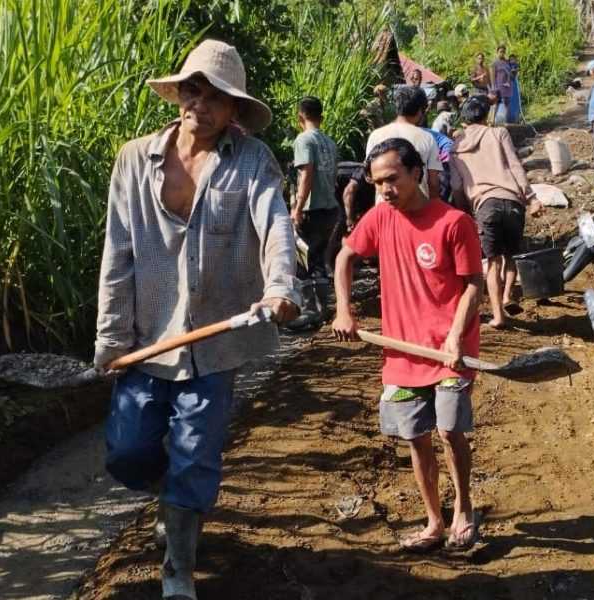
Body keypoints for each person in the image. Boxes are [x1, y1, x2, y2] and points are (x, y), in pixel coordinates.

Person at [95, 40, 301, 600]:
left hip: (215, 343)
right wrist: (110, 338)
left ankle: (177, 568)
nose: (200, 105)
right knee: (127, 452)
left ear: (235, 109)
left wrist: (281, 285)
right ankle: (173, 495)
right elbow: (118, 252)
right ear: (179, 94)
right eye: (193, 90)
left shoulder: (253, 159)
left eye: (216, 97)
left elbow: (276, 224)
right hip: (147, 337)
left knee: (197, 454)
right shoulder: (135, 160)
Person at [332, 137, 484, 552]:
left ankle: (464, 511)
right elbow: (345, 258)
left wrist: (455, 335)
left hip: (450, 351)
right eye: (378, 182)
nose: (385, 189)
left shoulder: (454, 222)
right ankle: (434, 521)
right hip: (401, 352)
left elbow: (474, 285)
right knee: (416, 437)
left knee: (451, 430)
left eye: (392, 179)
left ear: (416, 173)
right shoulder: (379, 219)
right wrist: (344, 310)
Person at [449, 96, 543, 328]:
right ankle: (508, 295)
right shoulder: (498, 133)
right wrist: (531, 198)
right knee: (510, 256)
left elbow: (456, 185)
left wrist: (464, 210)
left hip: (484, 206)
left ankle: (498, 315)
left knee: (492, 262)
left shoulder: (455, 148)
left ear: (464, 119)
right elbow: (514, 165)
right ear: (485, 116)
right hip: (512, 201)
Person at [289, 96, 339, 327]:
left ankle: (310, 310)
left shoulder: (303, 140)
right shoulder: (329, 142)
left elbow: (306, 175)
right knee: (318, 258)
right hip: (329, 208)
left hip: (311, 209)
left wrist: (297, 207)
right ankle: (323, 308)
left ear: (300, 117)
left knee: (303, 260)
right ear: (322, 117)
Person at [365, 86, 443, 202]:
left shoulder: (376, 135)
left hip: (385, 207)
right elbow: (433, 183)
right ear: (420, 110)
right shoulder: (427, 138)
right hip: (417, 208)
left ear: (397, 107)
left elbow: (369, 177)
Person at [422, 125, 455, 203]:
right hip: (438, 150)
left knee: (442, 179)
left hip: (446, 150)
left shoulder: (421, 134)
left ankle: (442, 201)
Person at [491, 45, 512, 121]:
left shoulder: (507, 62)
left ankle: (505, 120)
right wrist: (493, 88)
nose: (502, 53)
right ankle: (492, 120)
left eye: (503, 52)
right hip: (498, 87)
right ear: (497, 52)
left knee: (507, 103)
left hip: (507, 87)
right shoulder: (494, 63)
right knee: (496, 104)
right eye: (500, 52)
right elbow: (493, 76)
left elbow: (511, 73)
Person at [507, 53, 523, 124]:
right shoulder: (507, 67)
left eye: (513, 59)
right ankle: (509, 118)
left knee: (516, 101)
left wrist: (515, 71)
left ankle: (516, 118)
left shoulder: (516, 66)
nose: (512, 61)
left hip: (515, 85)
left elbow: (517, 73)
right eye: (511, 59)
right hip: (510, 86)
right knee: (510, 102)